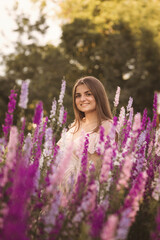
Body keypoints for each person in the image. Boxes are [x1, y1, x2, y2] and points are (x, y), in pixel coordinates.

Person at [57, 76, 113, 193]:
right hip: (58, 196)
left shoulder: (107, 126)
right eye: (78, 95)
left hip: (82, 195)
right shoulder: (74, 126)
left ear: (98, 96)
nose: (82, 99)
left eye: (88, 94)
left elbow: (99, 170)